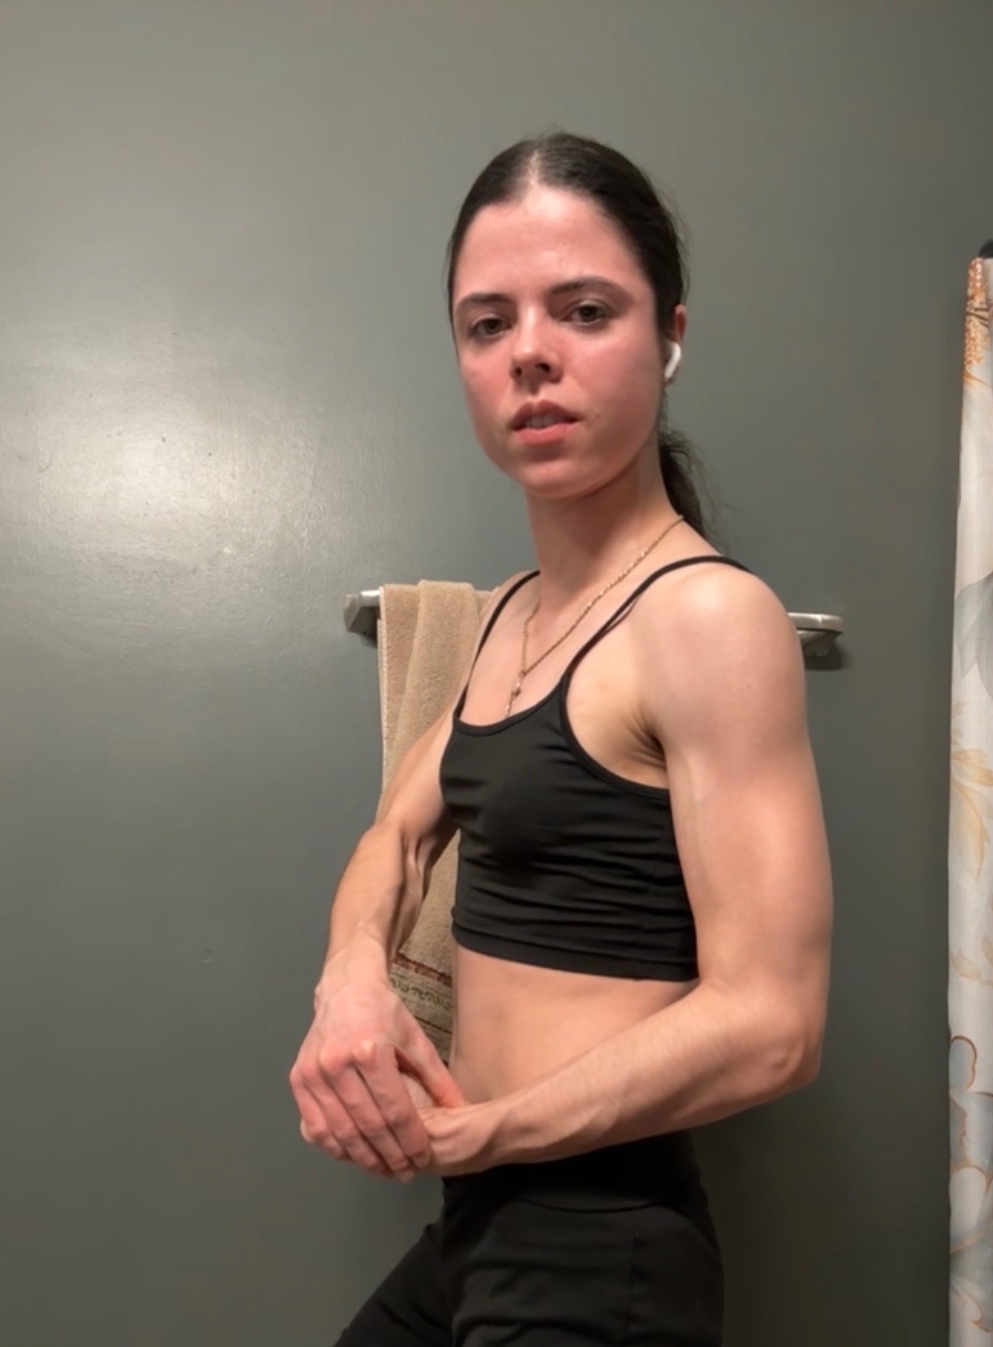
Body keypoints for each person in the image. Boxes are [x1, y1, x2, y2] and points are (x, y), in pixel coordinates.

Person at [289, 129, 833, 1346]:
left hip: (597, 1250)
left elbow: (774, 1026)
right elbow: (397, 836)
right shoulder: (508, 620)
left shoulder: (705, 617)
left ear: (668, 336)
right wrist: (350, 981)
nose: (529, 351)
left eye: (584, 310)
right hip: (477, 1224)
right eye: (487, 323)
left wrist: (479, 1131)